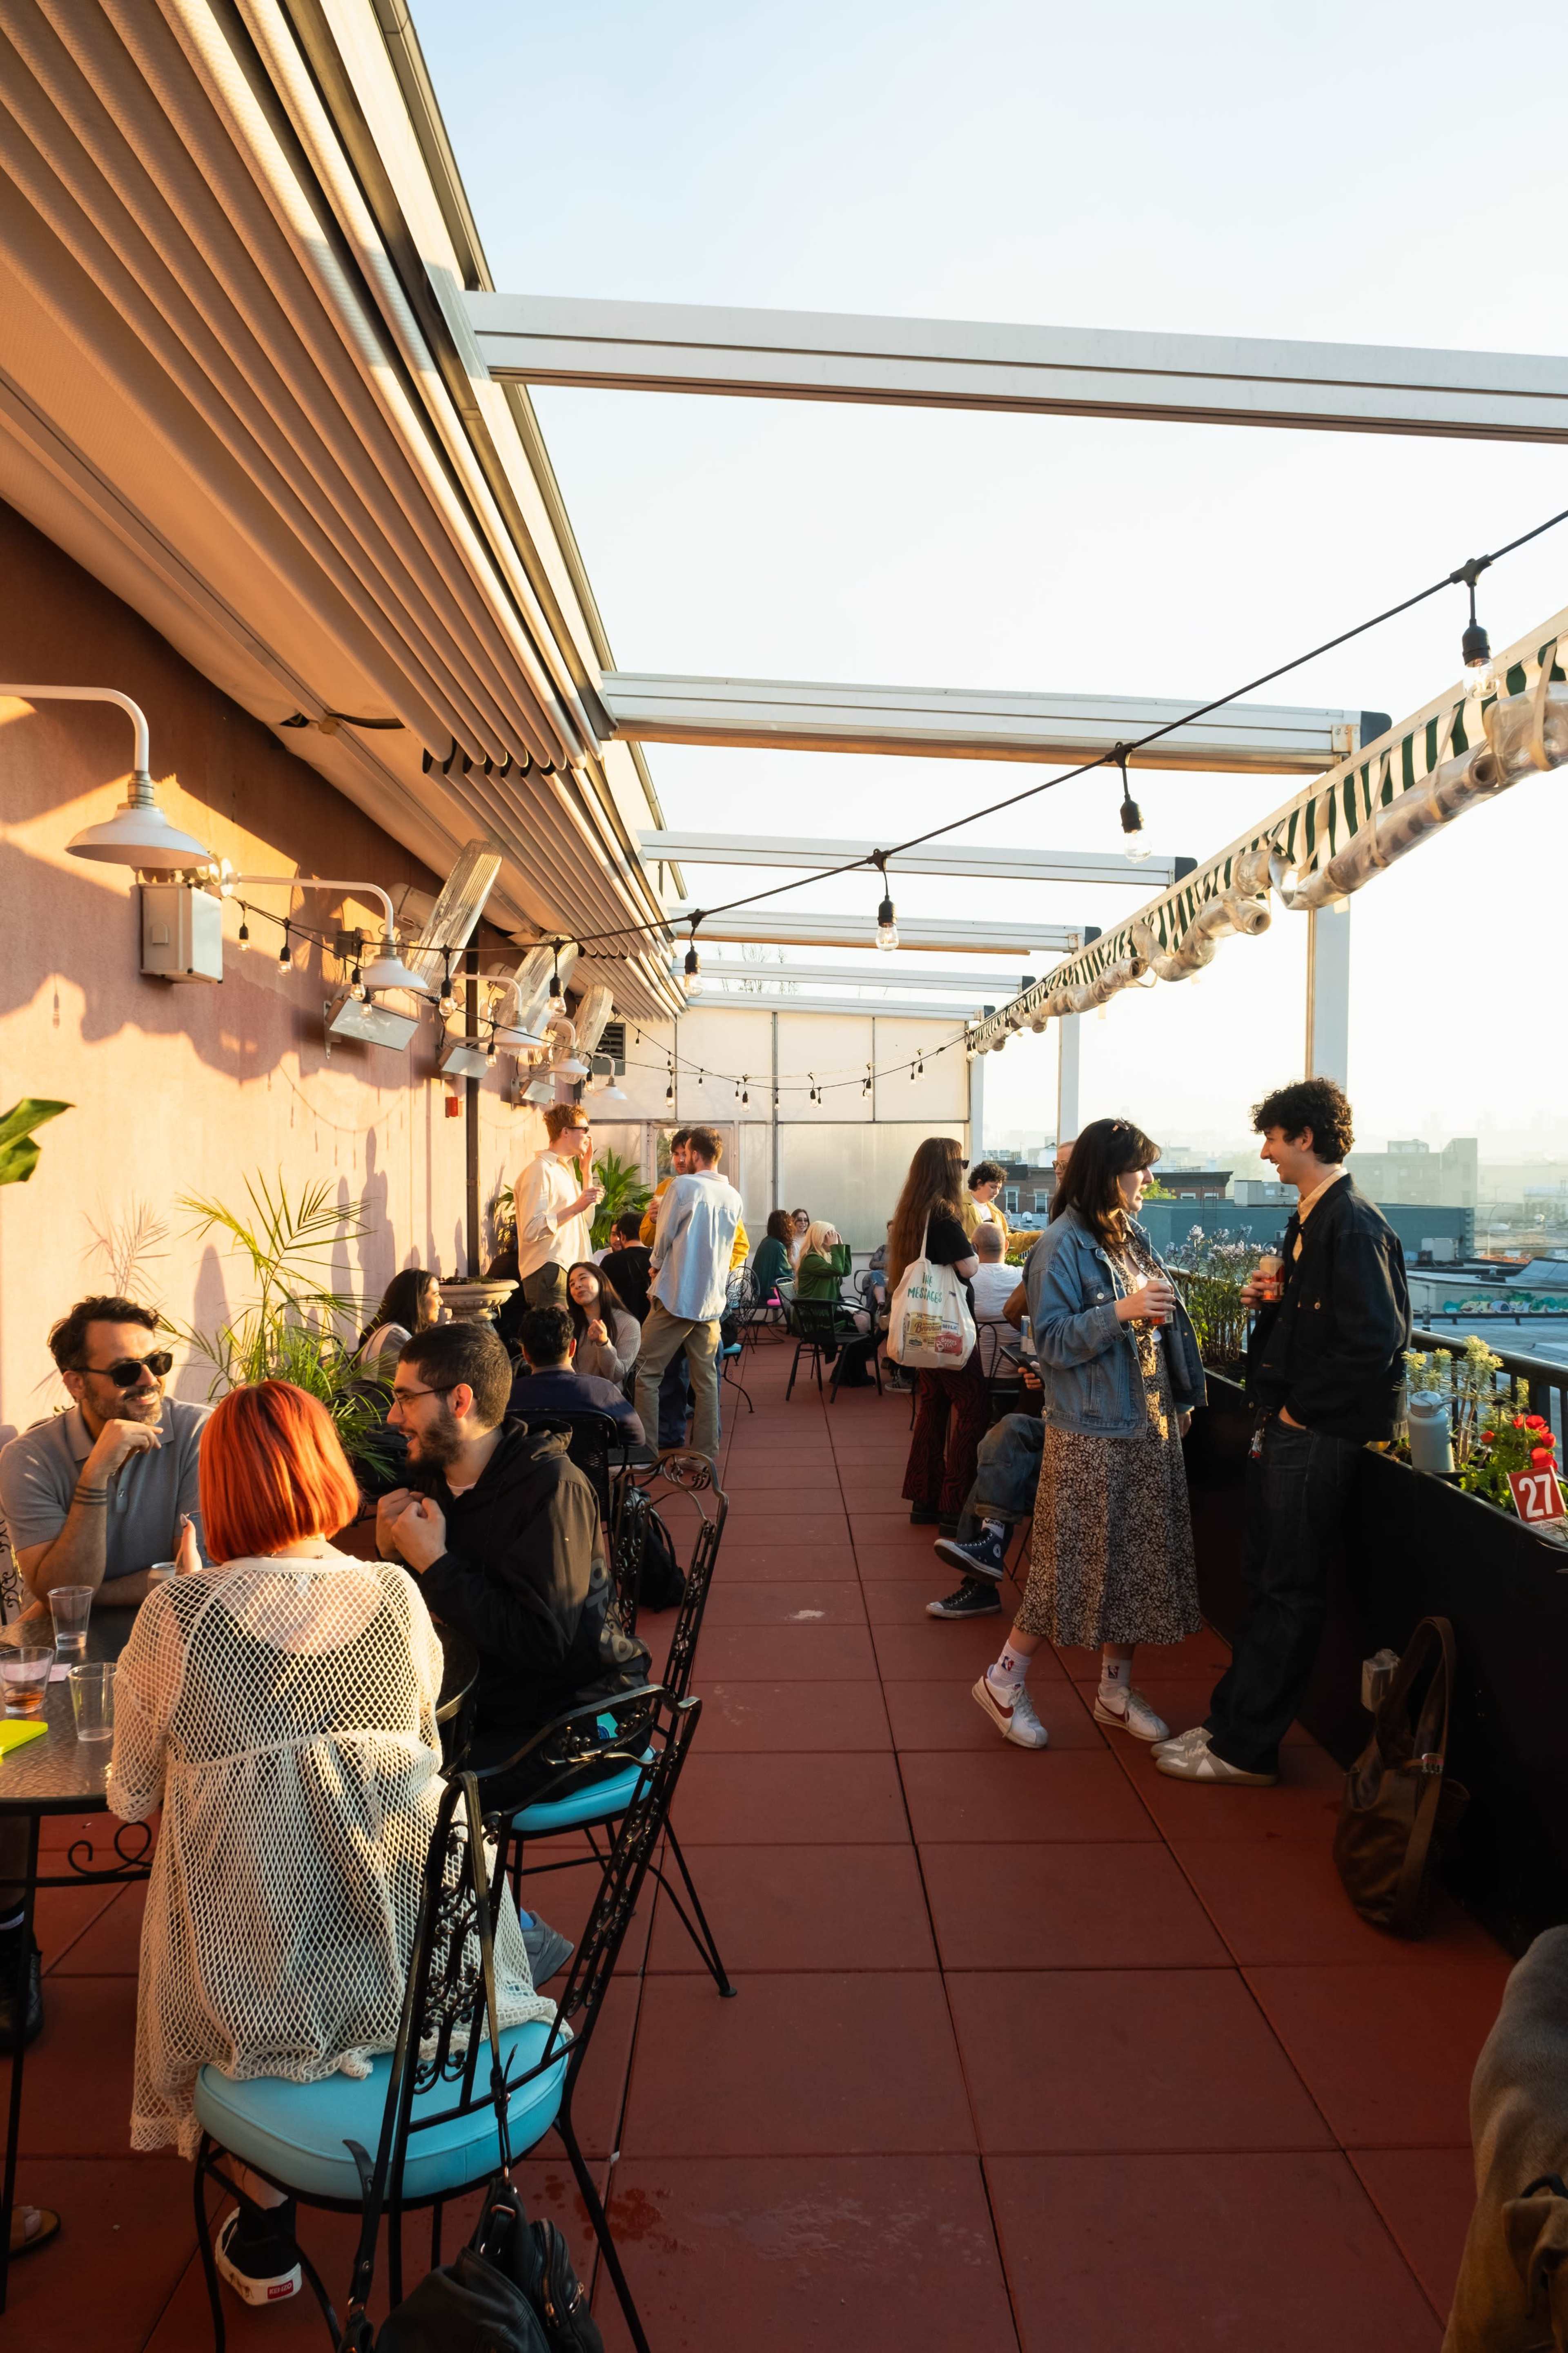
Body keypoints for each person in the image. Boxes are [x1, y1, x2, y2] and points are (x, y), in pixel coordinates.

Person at [107, 1379, 552, 2307]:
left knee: (246, 1887)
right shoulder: (395, 1595)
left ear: (218, 1487)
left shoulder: (180, 1617)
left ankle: (267, 2217)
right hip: (411, 1948)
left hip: (259, 1971)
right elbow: (418, 1756)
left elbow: (130, 1796)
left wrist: (190, 1603)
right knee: (325, 1849)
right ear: (325, 1467)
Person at [1155, 1076, 1409, 1787]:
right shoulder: (1321, 1217)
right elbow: (1346, 1327)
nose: (1264, 1152)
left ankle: (1246, 1747)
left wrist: (1301, 1409)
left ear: (1304, 1136)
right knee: (1268, 1579)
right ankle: (1235, 1723)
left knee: (1285, 1586)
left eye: (1271, 1137)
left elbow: (1375, 1339)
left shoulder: (1348, 1222)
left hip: (1313, 1433)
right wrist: (1275, 1301)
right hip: (1299, 1427)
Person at [0, 1296, 207, 2051]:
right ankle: (9, 1942)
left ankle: (210, 1936)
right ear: (74, 1382)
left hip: (179, 1642)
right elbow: (57, 1600)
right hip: (54, 1653)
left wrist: (101, 1586)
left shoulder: (195, 1431)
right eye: (125, 1370)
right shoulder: (29, 1459)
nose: (148, 1381)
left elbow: (190, 1575)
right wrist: (97, 1473)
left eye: (157, 1362)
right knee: (7, 1769)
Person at [973, 1117, 1206, 1752]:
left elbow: (1157, 1328)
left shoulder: (1126, 1235)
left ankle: (1112, 1689)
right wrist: (1122, 1311)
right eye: (1142, 1168)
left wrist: (1177, 1396)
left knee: (1132, 1564)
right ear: (1110, 1172)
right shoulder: (1061, 1243)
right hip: (1092, 1433)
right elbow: (1046, 1339)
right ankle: (1003, 1681)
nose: (1150, 1180)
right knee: (1065, 1566)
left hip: (1143, 1424)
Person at [377, 1322, 650, 1788]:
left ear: (459, 1402)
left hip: (582, 1715)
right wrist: (394, 1559)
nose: (391, 1417)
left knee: (415, 1792)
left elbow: (543, 1646)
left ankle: (478, 1862)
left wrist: (435, 1565)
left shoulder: (552, 1489)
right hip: (491, 1699)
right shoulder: (436, 1478)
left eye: (405, 1398)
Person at [889, 1137, 986, 1537]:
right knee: (973, 1407)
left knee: (933, 1408)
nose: (964, 1170)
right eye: (961, 1163)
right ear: (949, 1169)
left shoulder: (911, 1213)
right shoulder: (945, 1215)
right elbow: (970, 1268)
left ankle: (923, 1498)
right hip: (947, 1330)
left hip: (921, 1328)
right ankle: (955, 1502)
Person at [633, 1127, 744, 1463]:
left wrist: (655, 1266)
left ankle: (647, 1452)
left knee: (645, 1372)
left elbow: (662, 1237)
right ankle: (704, 1455)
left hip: (676, 1293)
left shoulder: (682, 1187)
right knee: (706, 1381)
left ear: (695, 1154)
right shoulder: (733, 1196)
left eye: (686, 1153)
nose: (682, 1159)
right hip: (710, 1301)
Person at [511, 1104, 604, 1312]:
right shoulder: (540, 1170)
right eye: (585, 1130)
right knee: (552, 1340)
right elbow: (530, 1230)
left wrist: (586, 1173)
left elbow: (586, 1223)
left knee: (567, 1339)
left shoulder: (565, 1170)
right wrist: (576, 1207)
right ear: (565, 1132)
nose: (589, 1137)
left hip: (569, 1269)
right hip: (550, 1268)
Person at [508, 1305, 646, 1443]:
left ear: (525, 1354)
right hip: (589, 1464)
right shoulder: (602, 1391)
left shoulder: (508, 1396)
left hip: (527, 1465)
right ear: (573, 1348)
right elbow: (638, 1438)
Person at [564, 1261, 641, 1384]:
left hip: (606, 1399)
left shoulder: (628, 1324)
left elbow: (617, 1375)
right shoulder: (567, 1322)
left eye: (583, 1278)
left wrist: (604, 1344)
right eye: (572, 1284)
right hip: (570, 1395)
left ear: (600, 1280)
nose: (577, 1286)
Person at [359, 1268, 442, 1367]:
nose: (441, 1302)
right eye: (436, 1295)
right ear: (417, 1299)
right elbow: (418, 1379)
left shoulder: (397, 1333)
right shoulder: (394, 1336)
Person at [604, 1210, 654, 1323]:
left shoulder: (610, 1261)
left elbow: (603, 1298)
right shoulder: (658, 1260)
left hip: (621, 1326)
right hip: (653, 1326)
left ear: (621, 1235)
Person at [963, 1159, 1012, 1251]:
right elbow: (956, 1241)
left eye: (999, 1188)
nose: (996, 1192)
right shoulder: (959, 1207)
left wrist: (1035, 1236)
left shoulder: (995, 1211)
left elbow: (1007, 1239)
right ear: (979, 1183)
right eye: (993, 1187)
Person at [750, 1208, 796, 1303]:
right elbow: (785, 1275)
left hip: (759, 1292)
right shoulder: (778, 1246)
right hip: (771, 1293)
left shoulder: (767, 1241)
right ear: (785, 1227)